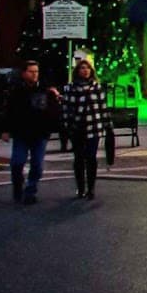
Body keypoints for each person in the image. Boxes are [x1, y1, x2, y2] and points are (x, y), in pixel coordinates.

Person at [2, 60, 57, 205]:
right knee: (17, 162)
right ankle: (17, 186)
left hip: (40, 133)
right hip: (21, 133)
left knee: (37, 165)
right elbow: (9, 111)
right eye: (31, 71)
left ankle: (30, 191)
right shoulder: (17, 91)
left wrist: (50, 127)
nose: (34, 75)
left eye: (36, 72)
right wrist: (6, 130)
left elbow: (52, 110)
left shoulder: (45, 90)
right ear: (24, 73)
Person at [60, 58, 111, 200]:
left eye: (87, 68)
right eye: (82, 68)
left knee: (91, 158)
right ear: (78, 71)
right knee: (79, 158)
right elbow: (67, 108)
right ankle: (81, 187)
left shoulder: (97, 88)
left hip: (93, 128)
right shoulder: (71, 88)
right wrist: (67, 126)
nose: (85, 70)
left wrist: (108, 126)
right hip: (77, 128)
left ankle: (91, 188)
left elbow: (103, 108)